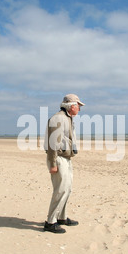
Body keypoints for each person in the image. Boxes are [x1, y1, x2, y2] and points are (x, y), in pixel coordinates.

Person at [43, 94, 85, 234]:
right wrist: (53, 163)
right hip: (58, 158)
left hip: (66, 158)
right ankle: (50, 222)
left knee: (67, 189)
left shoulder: (68, 118)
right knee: (61, 190)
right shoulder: (59, 118)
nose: (79, 108)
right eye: (78, 105)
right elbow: (52, 144)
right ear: (71, 106)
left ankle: (61, 217)